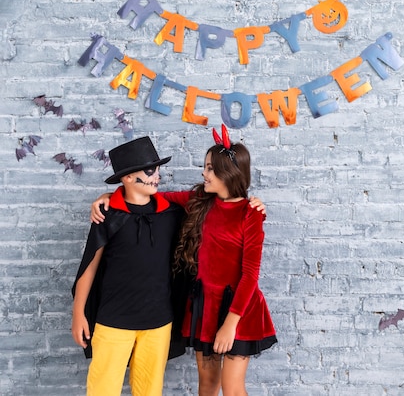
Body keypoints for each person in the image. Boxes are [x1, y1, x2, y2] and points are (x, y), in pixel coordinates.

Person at [88, 126, 275, 395]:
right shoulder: (200, 200)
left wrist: (230, 325)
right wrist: (109, 196)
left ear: (228, 172)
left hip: (238, 309)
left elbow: (250, 275)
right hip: (206, 306)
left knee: (233, 388)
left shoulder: (251, 214)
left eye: (210, 168)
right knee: (208, 384)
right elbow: (149, 197)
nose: (203, 173)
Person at [71, 136, 187, 396]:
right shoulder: (108, 215)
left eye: (157, 168)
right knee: (103, 389)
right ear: (127, 177)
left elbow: (214, 204)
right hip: (113, 320)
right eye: (149, 170)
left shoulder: (171, 214)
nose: (156, 175)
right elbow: (89, 267)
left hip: (158, 321)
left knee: (149, 390)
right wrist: (78, 313)